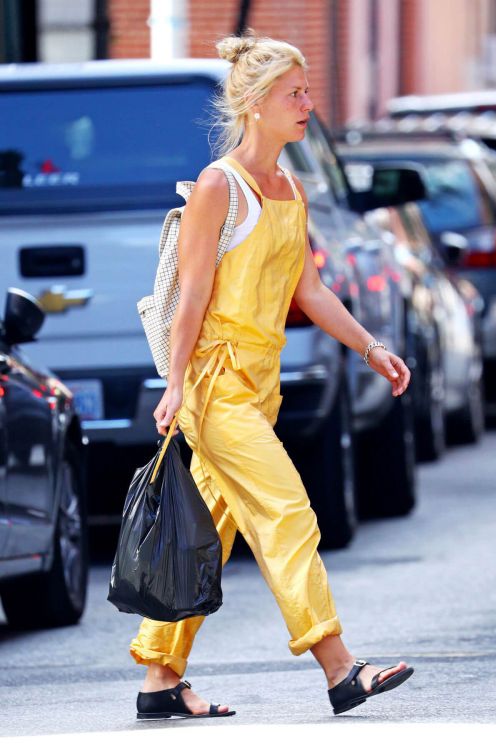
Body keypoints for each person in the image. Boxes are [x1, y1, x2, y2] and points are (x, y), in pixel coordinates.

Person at [130, 31, 414, 720]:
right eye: (295, 94)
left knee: (211, 530)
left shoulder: (288, 187)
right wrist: (173, 384)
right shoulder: (217, 188)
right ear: (255, 104)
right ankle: (340, 668)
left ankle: (160, 681)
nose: (308, 104)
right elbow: (190, 295)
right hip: (214, 384)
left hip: (260, 387)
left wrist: (369, 347)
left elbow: (309, 292)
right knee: (287, 512)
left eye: (307, 91)